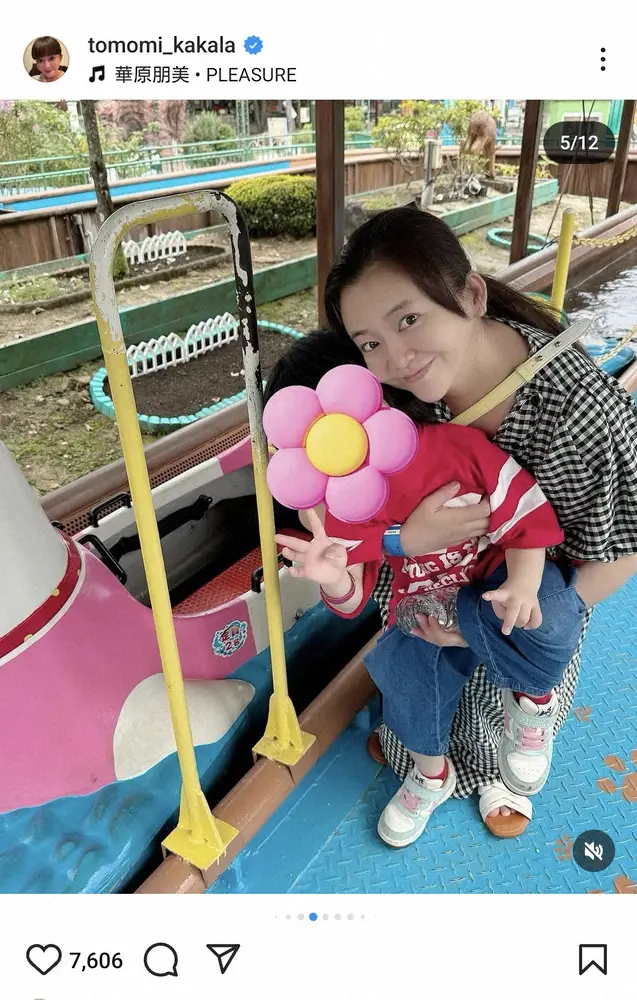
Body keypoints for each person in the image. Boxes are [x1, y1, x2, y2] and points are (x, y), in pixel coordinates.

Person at [311, 205, 637, 839]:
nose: (397, 358)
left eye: (409, 319)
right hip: (428, 578)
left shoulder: (579, 414)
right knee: (413, 677)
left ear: (472, 295)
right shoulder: (390, 405)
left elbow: (620, 552)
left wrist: (481, 627)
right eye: (371, 343)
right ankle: (424, 759)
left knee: (508, 686)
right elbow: (368, 520)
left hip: (528, 594)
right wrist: (407, 542)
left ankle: (500, 771)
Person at [270, 337, 584, 847]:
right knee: (401, 670)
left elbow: (525, 511)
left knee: (549, 611)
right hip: (424, 602)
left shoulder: (454, 448)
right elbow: (353, 597)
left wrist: (524, 584)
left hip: (495, 581)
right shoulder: (341, 503)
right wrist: (332, 576)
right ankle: (431, 776)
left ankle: (532, 705)